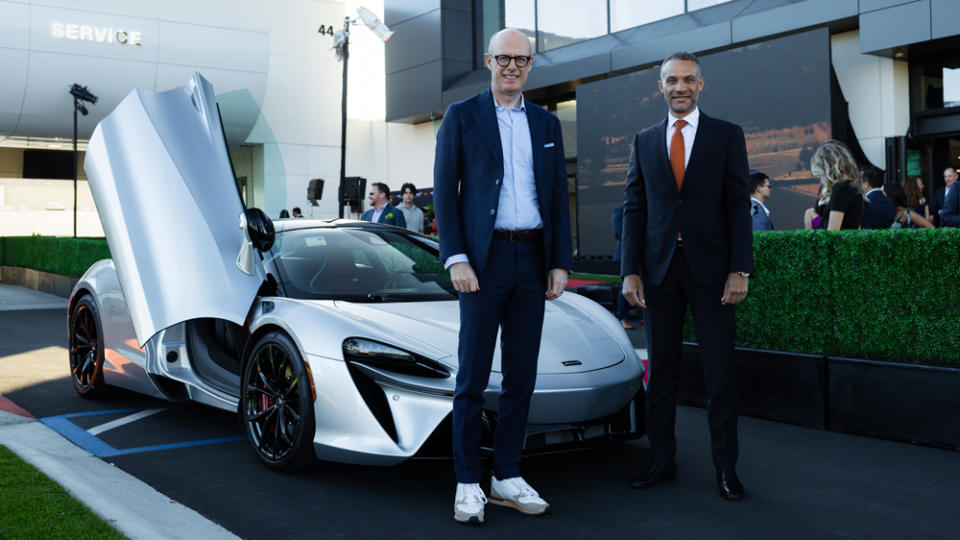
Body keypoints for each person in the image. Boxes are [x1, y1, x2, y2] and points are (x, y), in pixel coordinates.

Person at [434, 27, 572, 524]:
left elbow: (557, 196)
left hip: (533, 261)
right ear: (488, 60)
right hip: (483, 263)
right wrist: (457, 258)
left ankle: (507, 475)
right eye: (504, 59)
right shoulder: (462, 116)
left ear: (531, 65)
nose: (512, 67)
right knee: (471, 377)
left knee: (521, 376)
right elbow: (444, 194)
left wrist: (559, 261)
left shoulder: (546, 123)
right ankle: (468, 480)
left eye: (522, 60)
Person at [620, 51, 753, 501]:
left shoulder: (726, 136)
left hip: (713, 273)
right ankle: (661, 460)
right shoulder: (643, 140)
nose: (680, 87)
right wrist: (629, 272)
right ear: (660, 86)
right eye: (672, 80)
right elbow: (634, 210)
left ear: (702, 84)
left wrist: (740, 269)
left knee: (720, 376)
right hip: (658, 273)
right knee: (662, 377)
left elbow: (738, 205)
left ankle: (726, 468)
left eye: (688, 80)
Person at [810, 140, 865, 230]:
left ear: (827, 166)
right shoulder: (852, 186)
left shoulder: (842, 188)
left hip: (836, 243)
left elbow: (833, 232)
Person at [611, 203, 638, 329]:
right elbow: (618, 233)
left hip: (644, 253)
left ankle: (644, 316)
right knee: (625, 285)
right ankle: (623, 318)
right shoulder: (619, 210)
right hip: (625, 254)